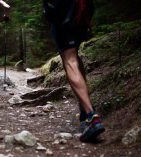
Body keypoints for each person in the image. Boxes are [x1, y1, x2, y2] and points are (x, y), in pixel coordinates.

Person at [47, 0, 105, 141]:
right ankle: (85, 108)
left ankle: (91, 117)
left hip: (64, 8)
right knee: (74, 55)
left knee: (70, 60)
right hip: (83, 6)